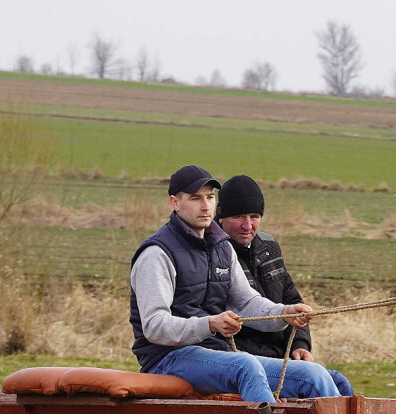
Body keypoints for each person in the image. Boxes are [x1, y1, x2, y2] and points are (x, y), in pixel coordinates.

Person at [128, 165, 345, 401]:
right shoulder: (157, 254)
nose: (205, 206)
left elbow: (246, 302)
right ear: (175, 203)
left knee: (313, 375)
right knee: (245, 365)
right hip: (168, 358)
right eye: (195, 198)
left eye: (210, 197)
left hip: (215, 353)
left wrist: (283, 314)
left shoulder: (221, 247)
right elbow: (155, 327)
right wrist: (210, 324)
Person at [214, 174, 355, 396]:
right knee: (313, 380)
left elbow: (292, 299)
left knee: (339, 382)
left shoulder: (268, 246)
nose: (247, 225)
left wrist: (300, 344)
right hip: (243, 359)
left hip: (280, 354)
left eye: (254, 216)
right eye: (239, 216)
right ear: (221, 217)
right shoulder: (212, 253)